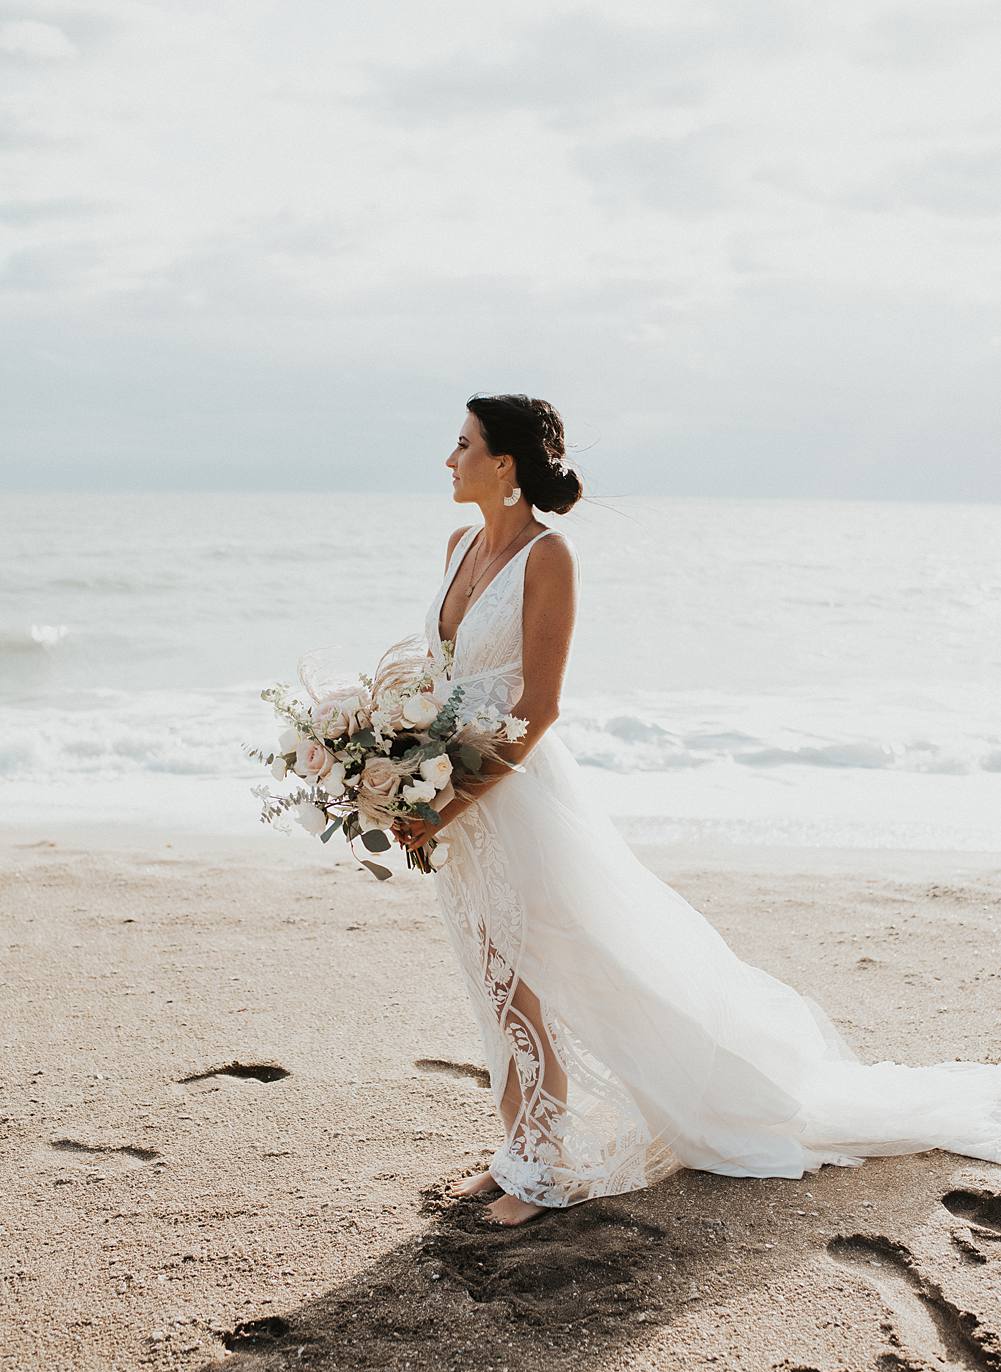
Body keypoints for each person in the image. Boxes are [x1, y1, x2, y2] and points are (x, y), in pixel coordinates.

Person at [392, 392, 1001, 1229]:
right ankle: (516, 1147)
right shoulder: (458, 545)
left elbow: (538, 707)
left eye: (461, 445)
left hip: (514, 793)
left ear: (503, 464)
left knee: (537, 971)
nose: (447, 459)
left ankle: (542, 1164)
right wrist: (399, 769)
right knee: (486, 970)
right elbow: (438, 681)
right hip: (456, 797)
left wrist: (454, 794)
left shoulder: (548, 556)